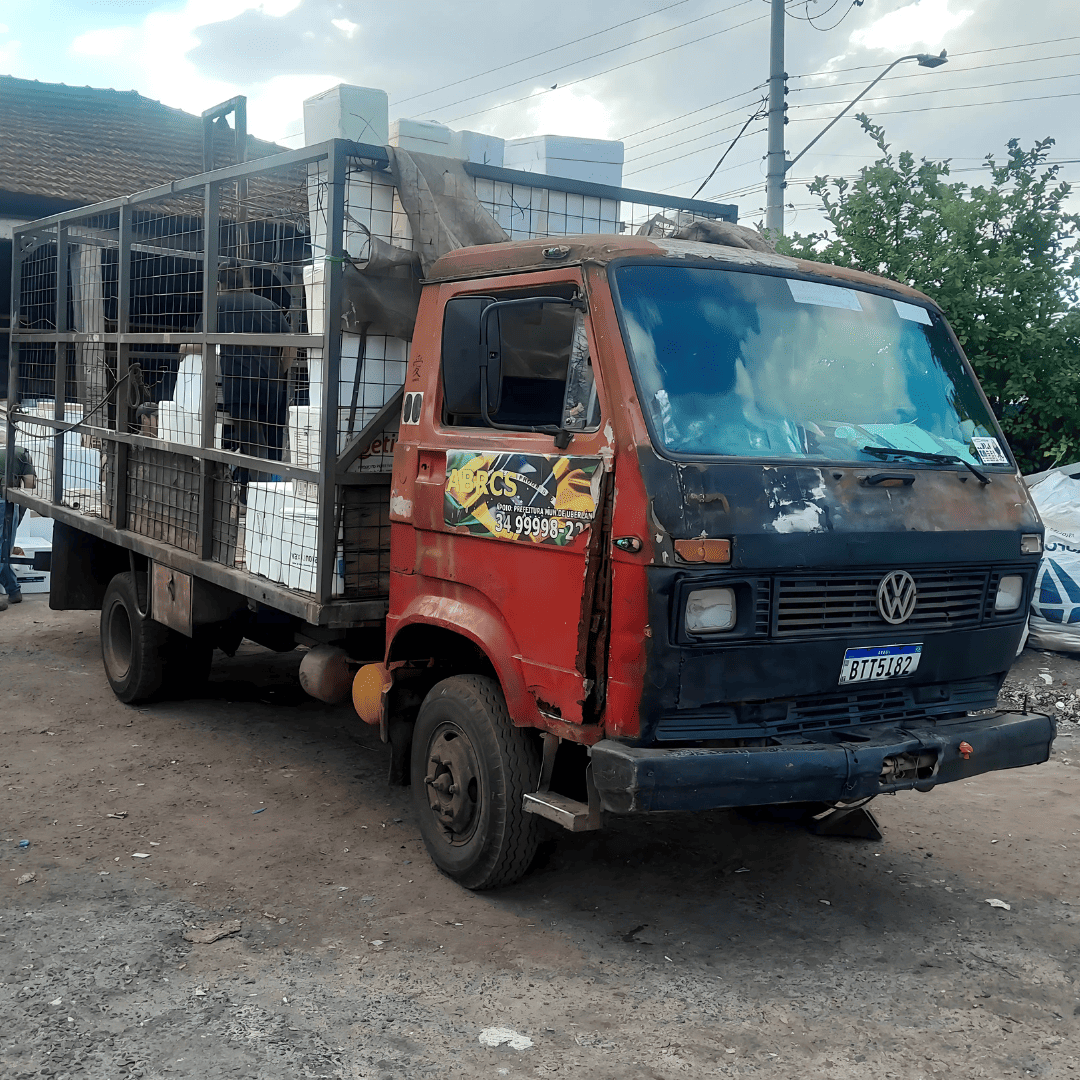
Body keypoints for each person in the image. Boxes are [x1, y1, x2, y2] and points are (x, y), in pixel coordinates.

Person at [182, 268, 294, 482]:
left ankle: (254, 501)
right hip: (270, 387)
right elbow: (291, 347)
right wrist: (279, 372)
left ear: (219, 284)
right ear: (247, 281)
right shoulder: (268, 305)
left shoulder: (218, 305)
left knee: (253, 445)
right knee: (267, 442)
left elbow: (197, 344)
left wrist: (182, 348)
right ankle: (250, 492)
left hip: (240, 387)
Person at [0, 442, 37, 609]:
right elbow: (30, 484)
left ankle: (13, 590)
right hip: (6, 504)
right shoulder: (21, 453)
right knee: (4, 549)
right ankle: (13, 591)